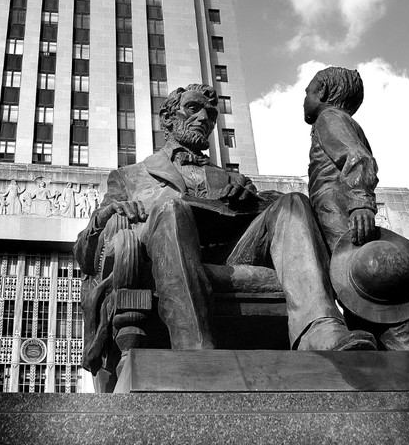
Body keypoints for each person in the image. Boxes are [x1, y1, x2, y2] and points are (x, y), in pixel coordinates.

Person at [76, 82, 377, 373]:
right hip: (160, 253)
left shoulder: (228, 176)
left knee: (293, 202)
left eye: (210, 114)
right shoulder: (129, 176)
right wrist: (107, 216)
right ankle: (194, 348)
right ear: (167, 119)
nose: (203, 118)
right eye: (193, 108)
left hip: (231, 252)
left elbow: (264, 218)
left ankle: (319, 329)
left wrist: (252, 200)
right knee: (171, 208)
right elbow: (84, 250)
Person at [303, 66, 409, 350]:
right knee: (354, 290)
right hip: (334, 208)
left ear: (321, 93)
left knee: (365, 278)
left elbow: (358, 158)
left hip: (339, 207)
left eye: (308, 91)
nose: (305, 97)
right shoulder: (338, 118)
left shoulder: (329, 118)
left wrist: (360, 202)